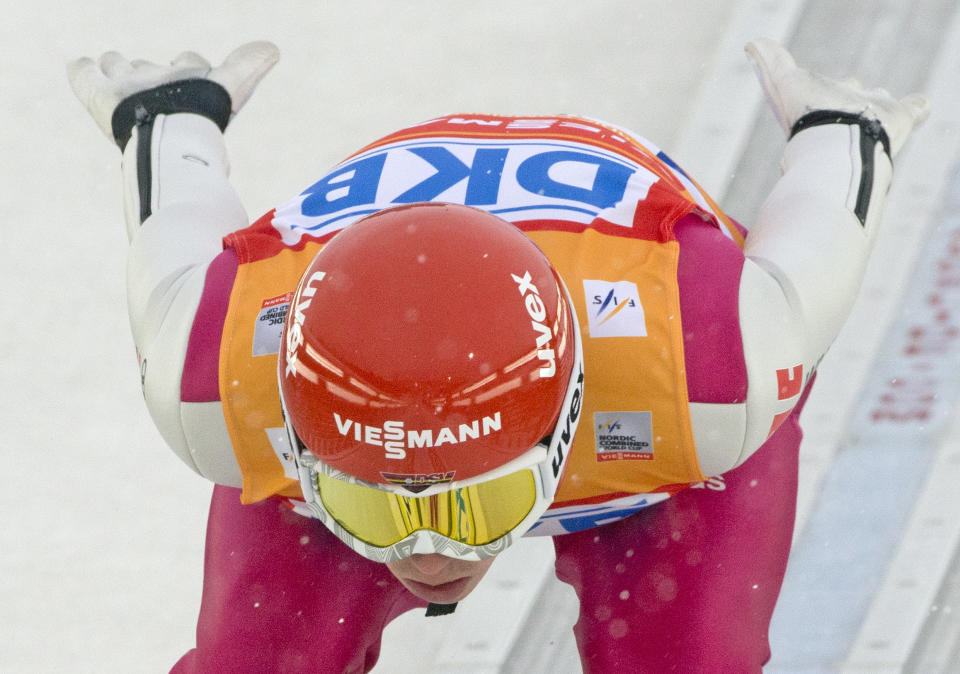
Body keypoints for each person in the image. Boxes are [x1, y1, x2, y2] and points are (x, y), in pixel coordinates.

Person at [67, 38, 928, 672]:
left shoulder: (709, 367)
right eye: (379, 511)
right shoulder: (222, 380)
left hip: (636, 387)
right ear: (305, 437)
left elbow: (169, 232)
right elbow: (817, 235)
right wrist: (839, 132)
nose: (429, 553)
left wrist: (170, 119)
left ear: (561, 435)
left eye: (479, 507)